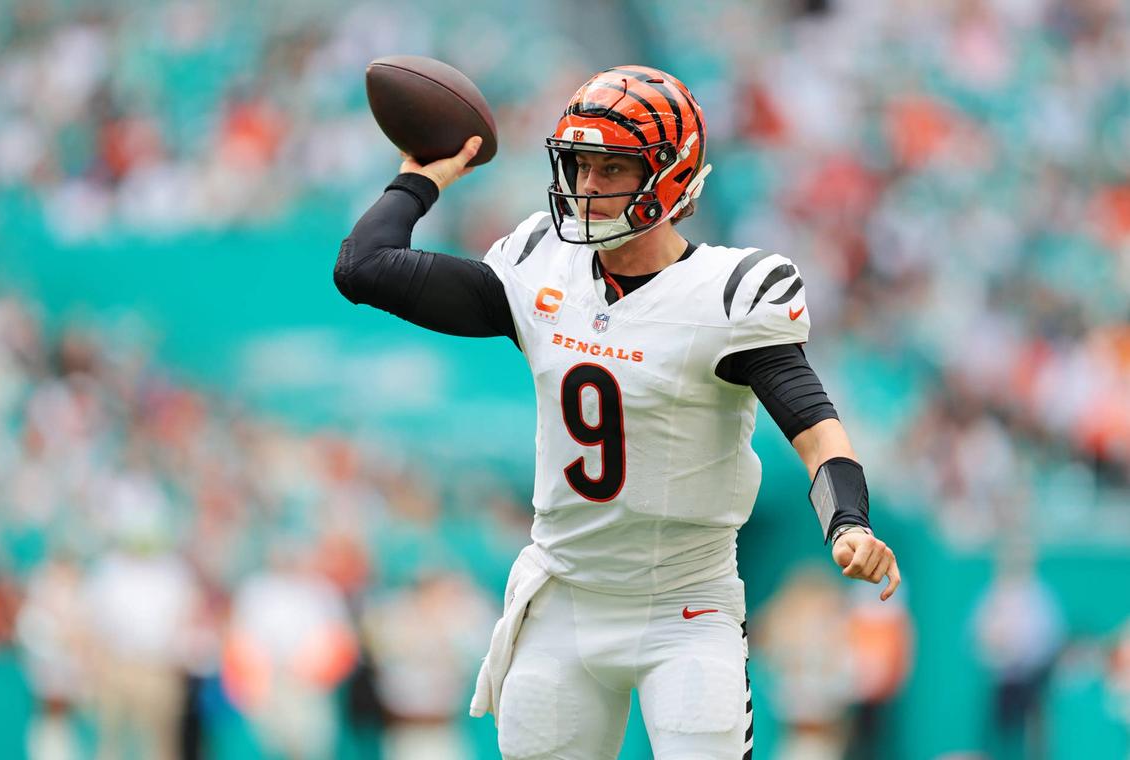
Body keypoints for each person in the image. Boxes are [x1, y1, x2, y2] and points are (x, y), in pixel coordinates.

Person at [334, 64, 902, 760]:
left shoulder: (727, 295)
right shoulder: (539, 266)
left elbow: (815, 428)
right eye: (580, 164)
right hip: (565, 596)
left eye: (612, 168)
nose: (588, 187)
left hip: (685, 605)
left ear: (670, 175)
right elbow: (363, 267)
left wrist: (848, 520)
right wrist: (420, 176)